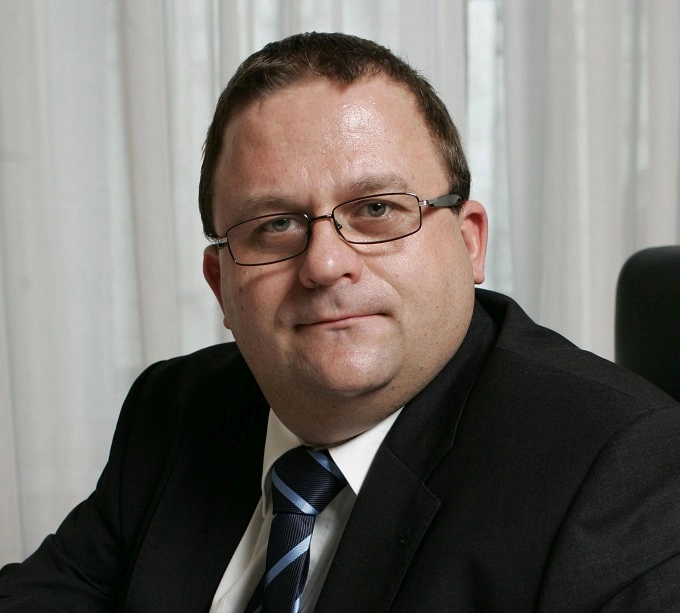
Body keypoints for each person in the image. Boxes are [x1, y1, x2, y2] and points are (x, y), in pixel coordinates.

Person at [1, 31, 679, 613]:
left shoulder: (617, 468)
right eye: (275, 224)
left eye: (377, 210)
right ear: (220, 284)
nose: (325, 264)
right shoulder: (176, 409)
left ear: (469, 242)